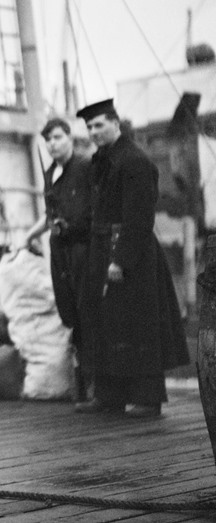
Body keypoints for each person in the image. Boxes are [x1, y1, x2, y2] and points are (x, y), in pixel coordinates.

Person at [74, 98, 190, 418]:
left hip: (131, 252)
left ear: (115, 123)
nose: (93, 132)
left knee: (137, 325)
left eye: (99, 125)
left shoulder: (134, 161)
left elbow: (139, 217)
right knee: (105, 322)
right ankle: (109, 395)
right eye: (89, 127)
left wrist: (120, 260)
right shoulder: (103, 161)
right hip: (103, 248)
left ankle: (148, 398)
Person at [17, 117, 93, 399]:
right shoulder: (51, 173)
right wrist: (27, 236)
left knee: (88, 313)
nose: (52, 144)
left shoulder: (85, 167)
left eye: (58, 137)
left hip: (83, 249)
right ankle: (82, 387)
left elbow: (93, 210)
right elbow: (50, 215)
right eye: (48, 139)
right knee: (69, 312)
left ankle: (95, 388)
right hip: (60, 252)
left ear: (70, 138)